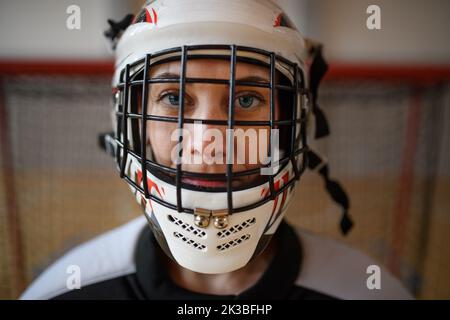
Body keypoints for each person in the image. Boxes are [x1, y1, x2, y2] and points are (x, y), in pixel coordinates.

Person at [21, 0, 412, 300]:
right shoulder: (65, 291)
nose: (208, 141)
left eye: (246, 100)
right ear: (130, 121)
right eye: (174, 98)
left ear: (295, 119)